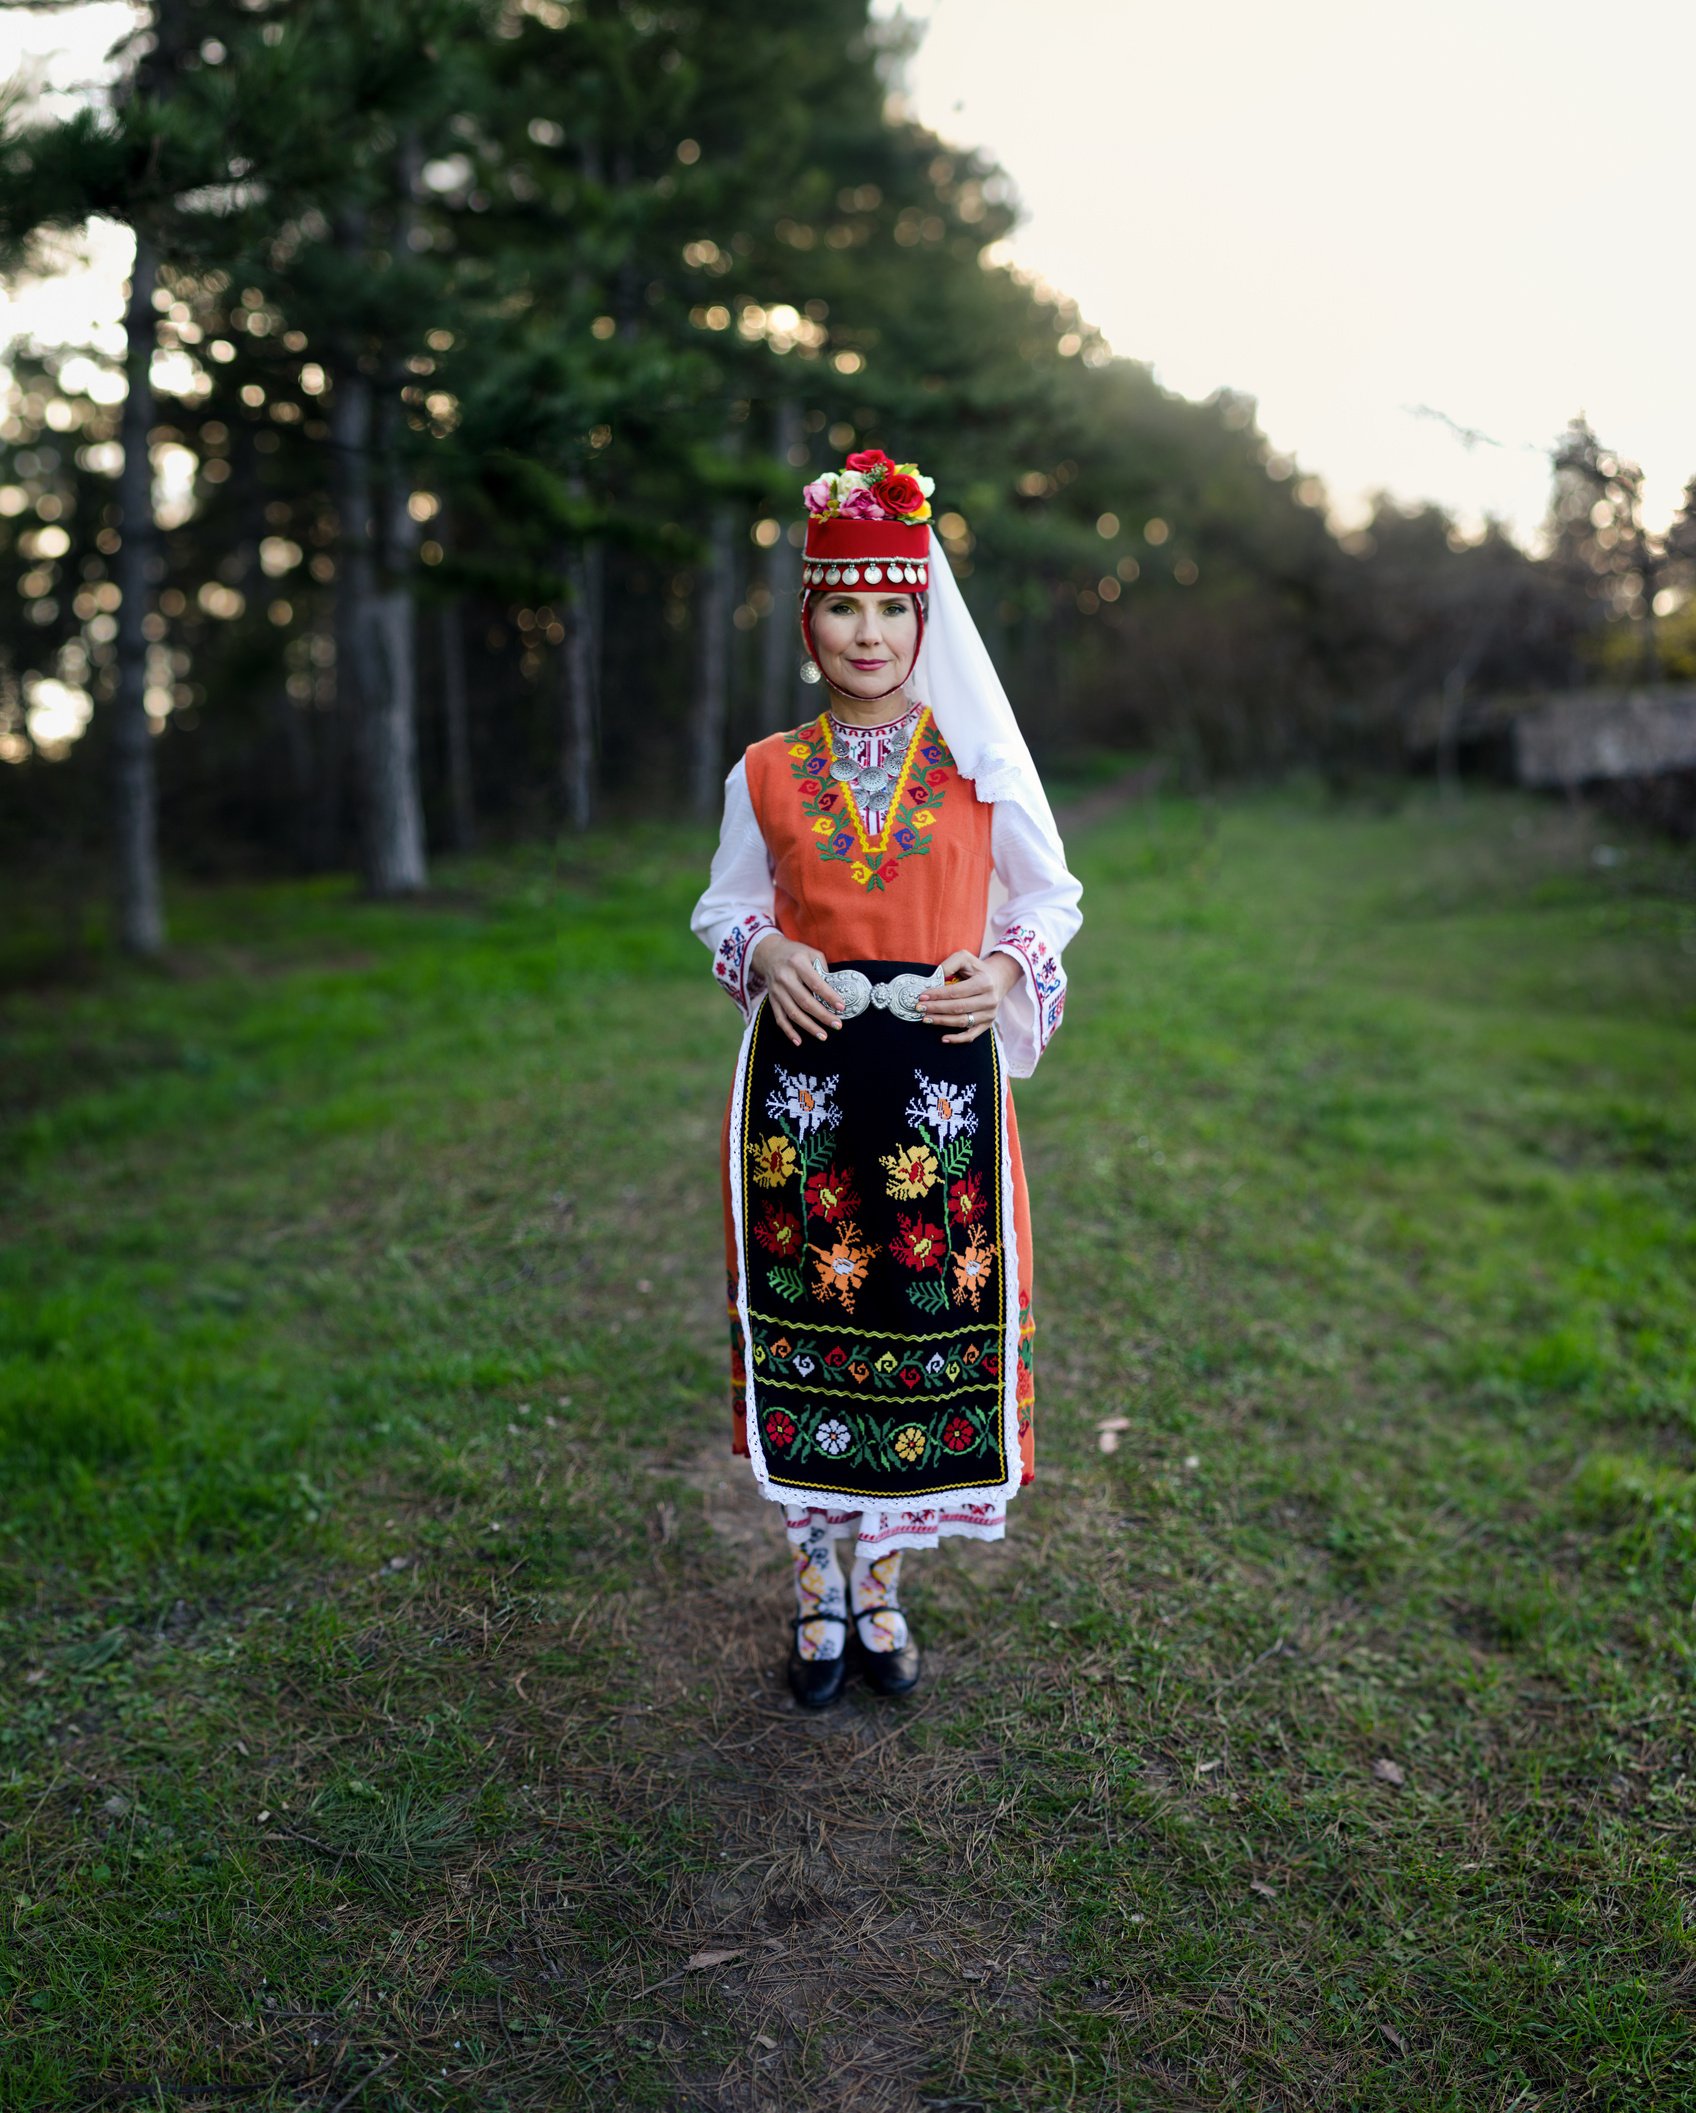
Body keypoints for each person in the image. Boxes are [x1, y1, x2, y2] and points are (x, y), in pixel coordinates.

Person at [691, 449, 1082, 1709]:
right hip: (800, 1104)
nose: (869, 631)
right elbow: (723, 904)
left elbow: (1050, 897)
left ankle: (883, 1589)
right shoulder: (764, 769)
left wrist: (1007, 968)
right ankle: (813, 1585)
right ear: (809, 628)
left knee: (919, 1329)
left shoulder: (978, 766)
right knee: (807, 1332)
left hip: (938, 1097)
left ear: (924, 621)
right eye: (844, 607)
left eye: (892, 607)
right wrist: (760, 947)